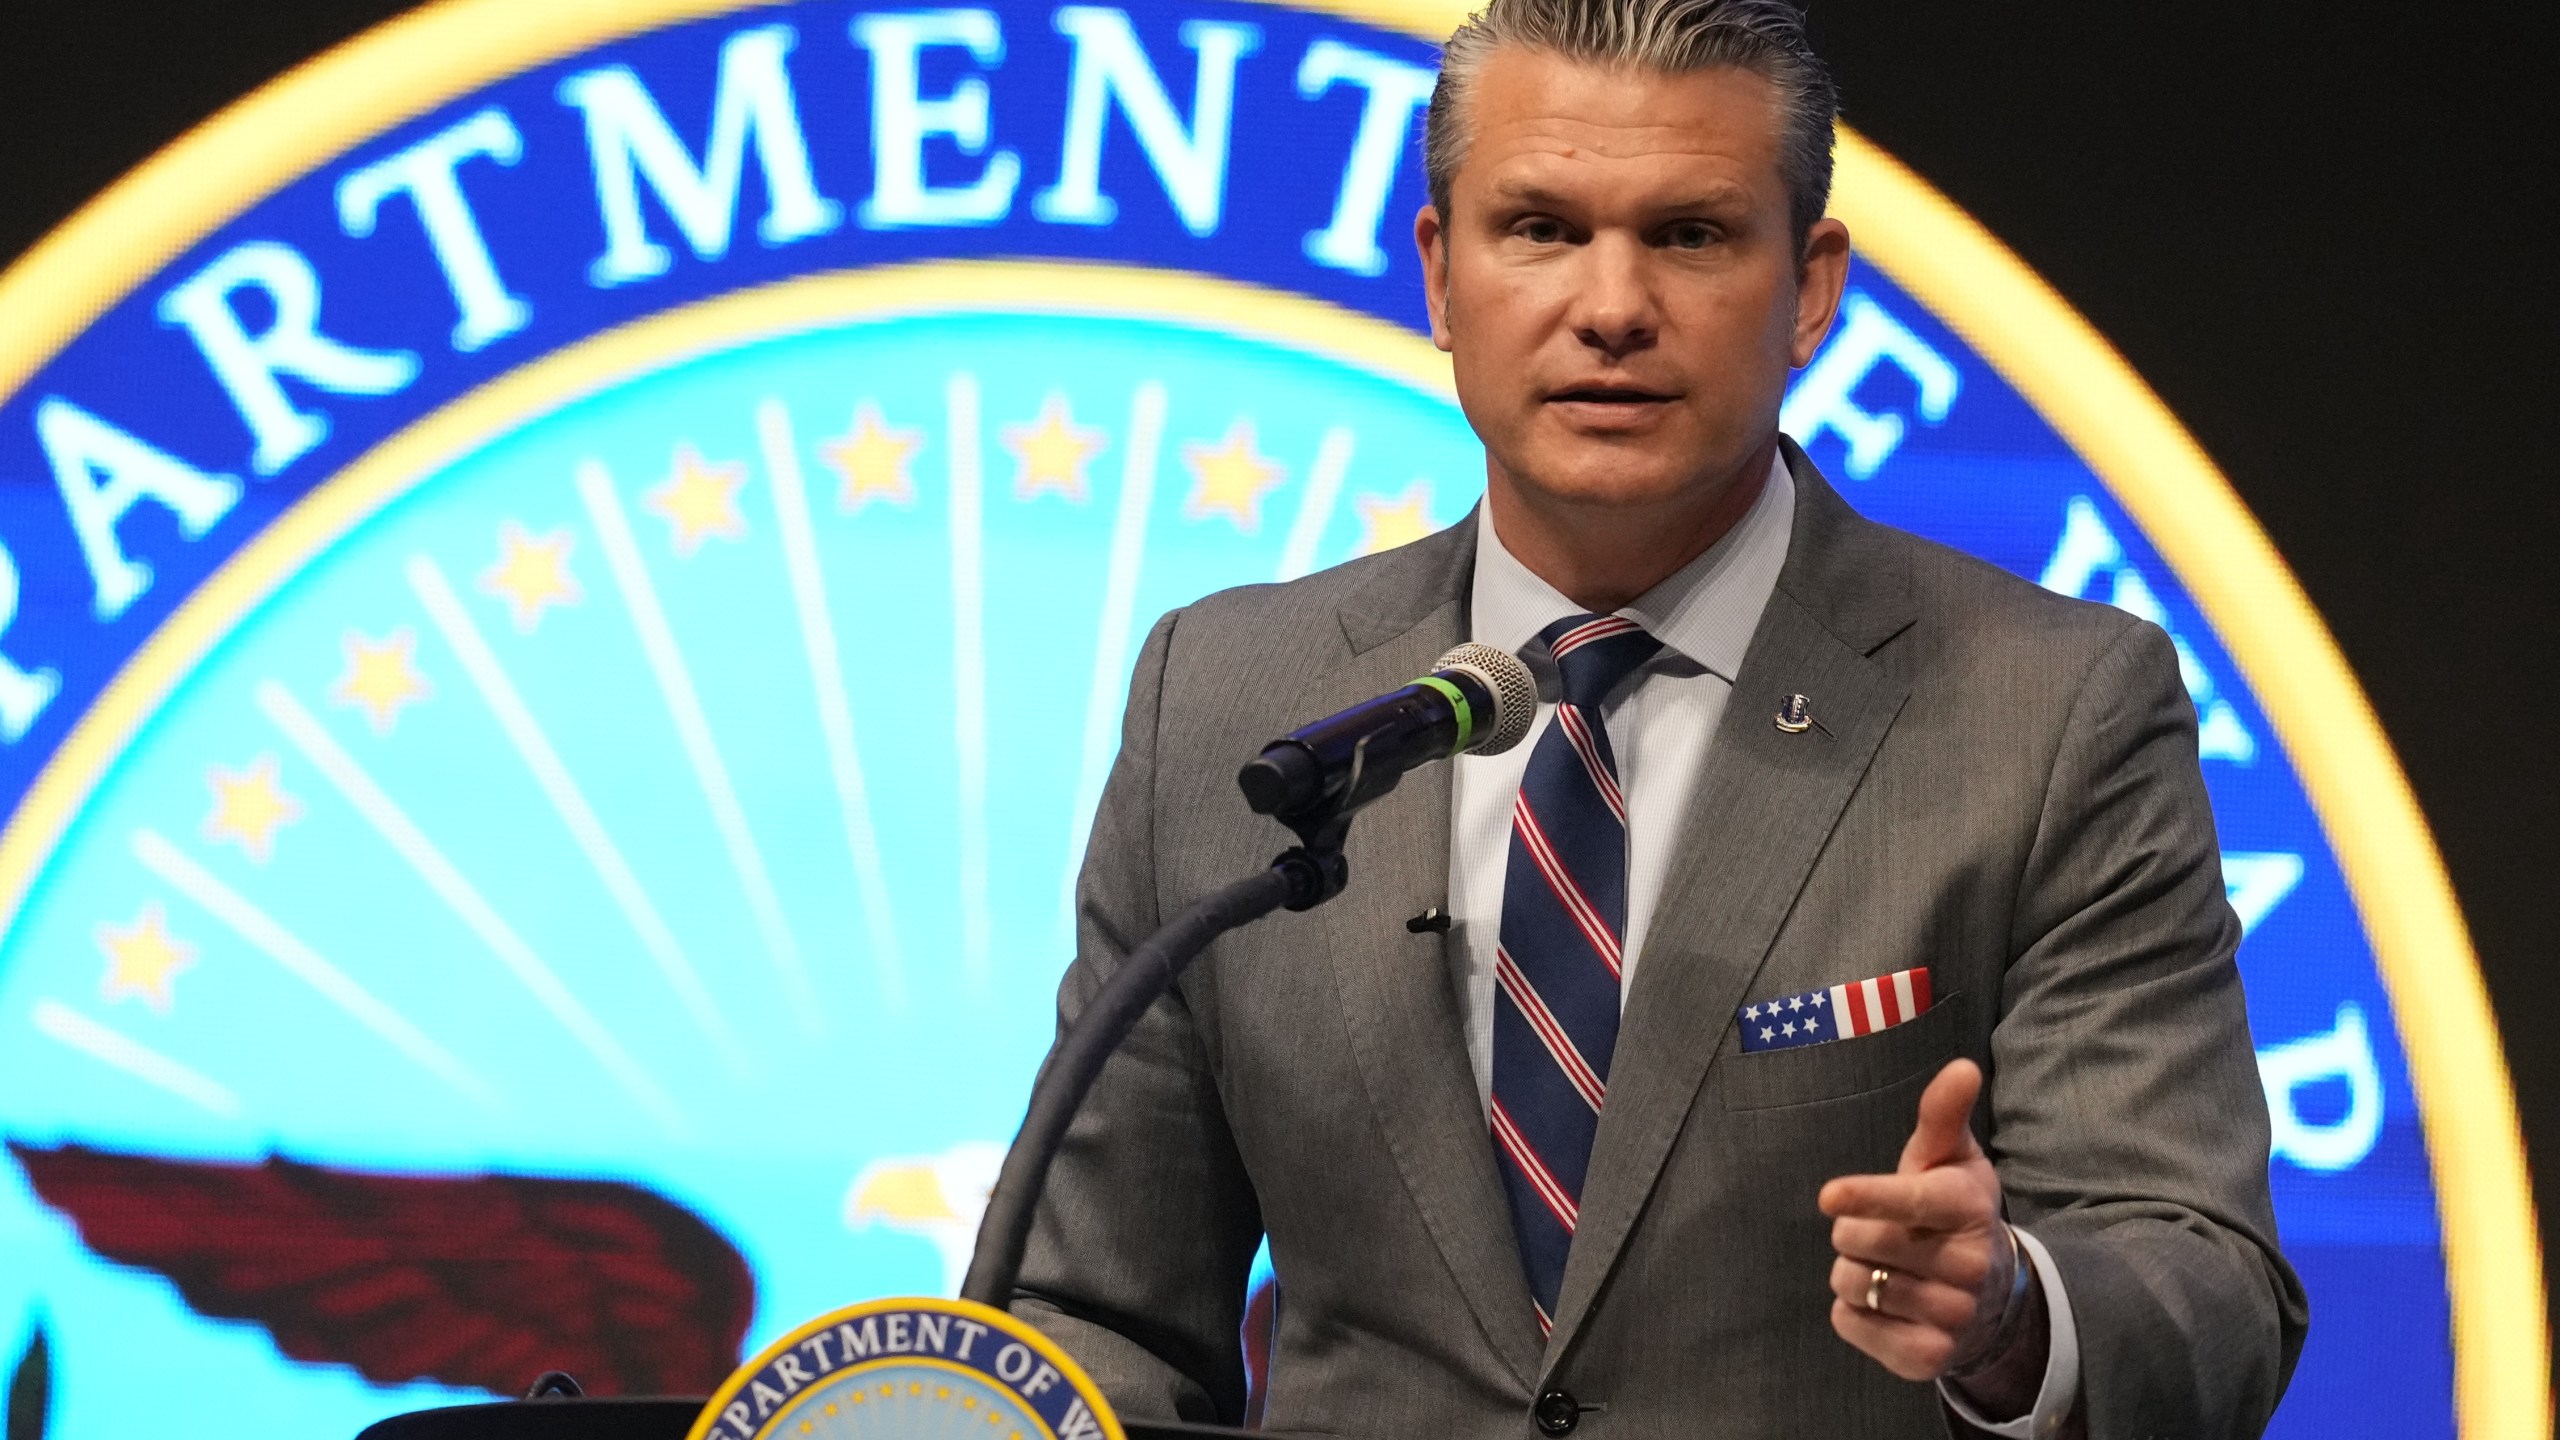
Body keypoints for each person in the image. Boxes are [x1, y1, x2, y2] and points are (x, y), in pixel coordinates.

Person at [1010, 1, 2308, 1434]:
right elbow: (1088, 1311)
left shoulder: (2046, 712)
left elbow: (2208, 1293)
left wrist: (2008, 1316)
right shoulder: (1233, 702)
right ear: (1442, 275)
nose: (1612, 305)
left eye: (1690, 235)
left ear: (1810, 290)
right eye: (1541, 229)